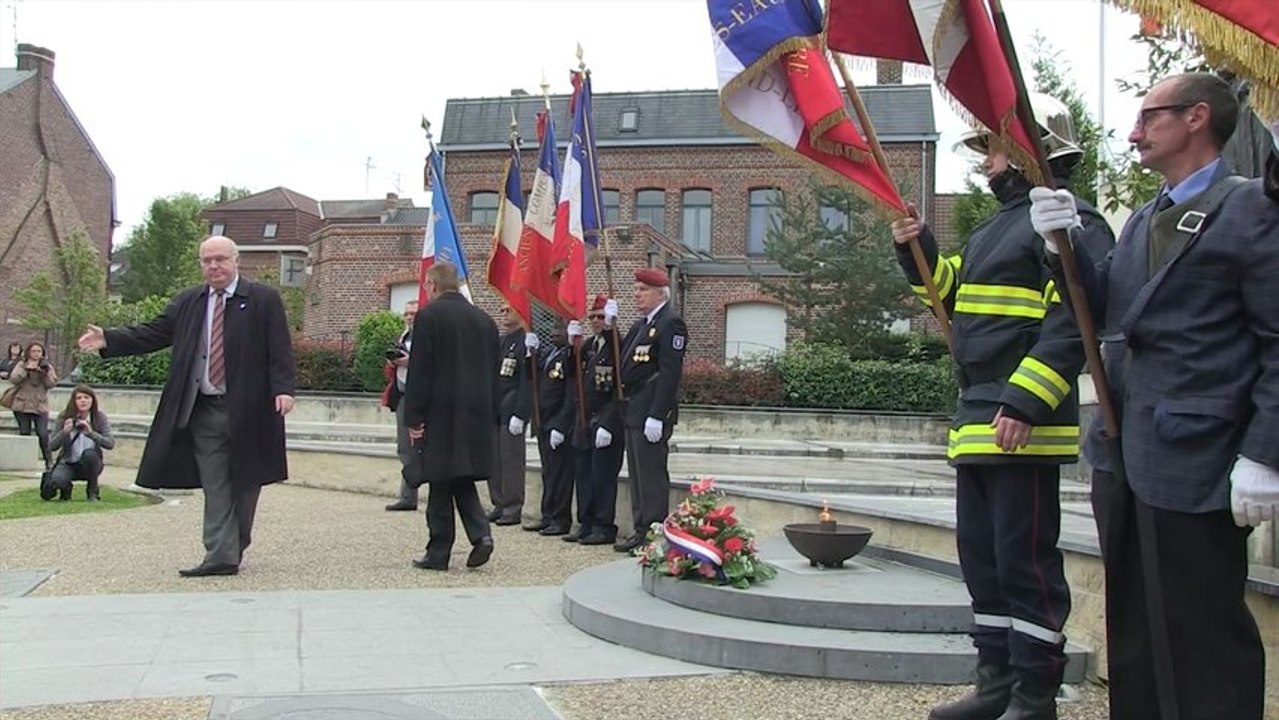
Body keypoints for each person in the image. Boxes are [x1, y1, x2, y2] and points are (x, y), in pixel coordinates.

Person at [1029, 73, 1275, 720]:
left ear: (1196, 117)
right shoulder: (1143, 216)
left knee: (1202, 633)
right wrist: (1062, 245)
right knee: (1133, 629)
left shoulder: (1250, 208)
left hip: (1197, 458)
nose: (1133, 132)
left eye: (1148, 117)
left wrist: (1265, 454)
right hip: (1124, 451)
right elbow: (1107, 304)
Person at [891, 94, 1115, 720]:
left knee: (1026, 565)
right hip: (978, 419)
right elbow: (949, 291)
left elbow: (1074, 319)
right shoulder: (996, 226)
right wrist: (916, 245)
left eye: (992, 148)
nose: (985, 163)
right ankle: (995, 689)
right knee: (984, 564)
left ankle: (1034, 697)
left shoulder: (1073, 222)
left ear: (1026, 149)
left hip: (1022, 423)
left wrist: (1025, 401)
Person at [77, 235, 296, 578]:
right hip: (203, 410)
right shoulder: (190, 302)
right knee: (215, 482)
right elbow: (153, 332)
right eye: (207, 260)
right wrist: (109, 338)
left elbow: (280, 349)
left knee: (246, 482)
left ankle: (234, 542)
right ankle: (219, 555)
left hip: (249, 410)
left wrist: (284, 390)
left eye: (220, 259)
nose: (214, 266)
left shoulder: (262, 299)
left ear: (236, 261)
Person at [402, 262, 499, 571]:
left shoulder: (429, 317)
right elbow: (495, 374)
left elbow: (420, 372)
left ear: (432, 285)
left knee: (441, 482)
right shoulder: (485, 321)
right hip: (477, 415)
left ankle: (438, 550)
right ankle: (481, 536)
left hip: (442, 414)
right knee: (460, 476)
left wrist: (414, 419)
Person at [614, 268, 688, 554]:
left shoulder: (671, 323)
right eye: (636, 289)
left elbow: (669, 373)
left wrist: (658, 414)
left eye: (643, 289)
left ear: (660, 292)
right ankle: (641, 528)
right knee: (637, 475)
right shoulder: (642, 325)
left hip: (650, 413)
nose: (637, 294)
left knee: (652, 476)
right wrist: (610, 327)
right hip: (634, 411)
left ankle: (655, 532)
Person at [565, 293, 624, 545]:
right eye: (593, 317)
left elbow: (618, 386)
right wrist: (571, 346)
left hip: (605, 420)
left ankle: (603, 524)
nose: (597, 321)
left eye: (601, 317)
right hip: (584, 419)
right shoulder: (589, 346)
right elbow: (572, 375)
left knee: (603, 477)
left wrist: (609, 422)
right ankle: (586, 521)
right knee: (584, 475)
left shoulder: (617, 344)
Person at [523, 320, 576, 537]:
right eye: (552, 331)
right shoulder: (548, 354)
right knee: (549, 473)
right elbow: (532, 378)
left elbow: (570, 393)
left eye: (559, 330)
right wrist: (530, 355)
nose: (554, 334)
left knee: (560, 475)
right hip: (543, 421)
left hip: (558, 423)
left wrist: (561, 425)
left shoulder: (569, 357)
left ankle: (560, 518)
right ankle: (547, 515)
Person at [487, 304, 534, 526]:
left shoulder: (525, 340)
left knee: (511, 460)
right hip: (496, 408)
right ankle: (499, 502)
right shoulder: (501, 341)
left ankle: (512, 506)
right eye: (502, 310)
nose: (504, 313)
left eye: (509, 310)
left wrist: (521, 413)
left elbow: (527, 381)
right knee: (495, 459)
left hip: (512, 409)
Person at [45, 385, 114, 501]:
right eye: (79, 398)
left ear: (92, 400)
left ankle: (92, 492)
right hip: (68, 463)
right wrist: (65, 432)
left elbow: (110, 443)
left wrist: (91, 433)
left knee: (89, 454)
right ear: (74, 401)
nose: (83, 401)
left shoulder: (99, 417)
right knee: (57, 480)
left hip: (90, 463)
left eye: (87, 397)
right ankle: (66, 490)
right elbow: (51, 446)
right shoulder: (64, 417)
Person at [382, 300, 420, 512]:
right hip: (403, 395)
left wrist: (411, 362)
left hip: (423, 397)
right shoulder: (403, 336)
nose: (409, 317)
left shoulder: (427, 336)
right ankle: (407, 496)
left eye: (413, 313)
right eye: (406, 313)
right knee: (404, 447)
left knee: (425, 447)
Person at [8, 341, 58, 469]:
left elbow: (51, 384)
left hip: (40, 405)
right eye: (34, 351)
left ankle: (49, 461)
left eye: (39, 351)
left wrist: (44, 372)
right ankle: (23, 461)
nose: (36, 354)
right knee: (24, 433)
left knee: (43, 434)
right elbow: (14, 379)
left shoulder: (47, 366)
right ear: (28, 352)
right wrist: (26, 369)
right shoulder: (21, 364)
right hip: (22, 404)